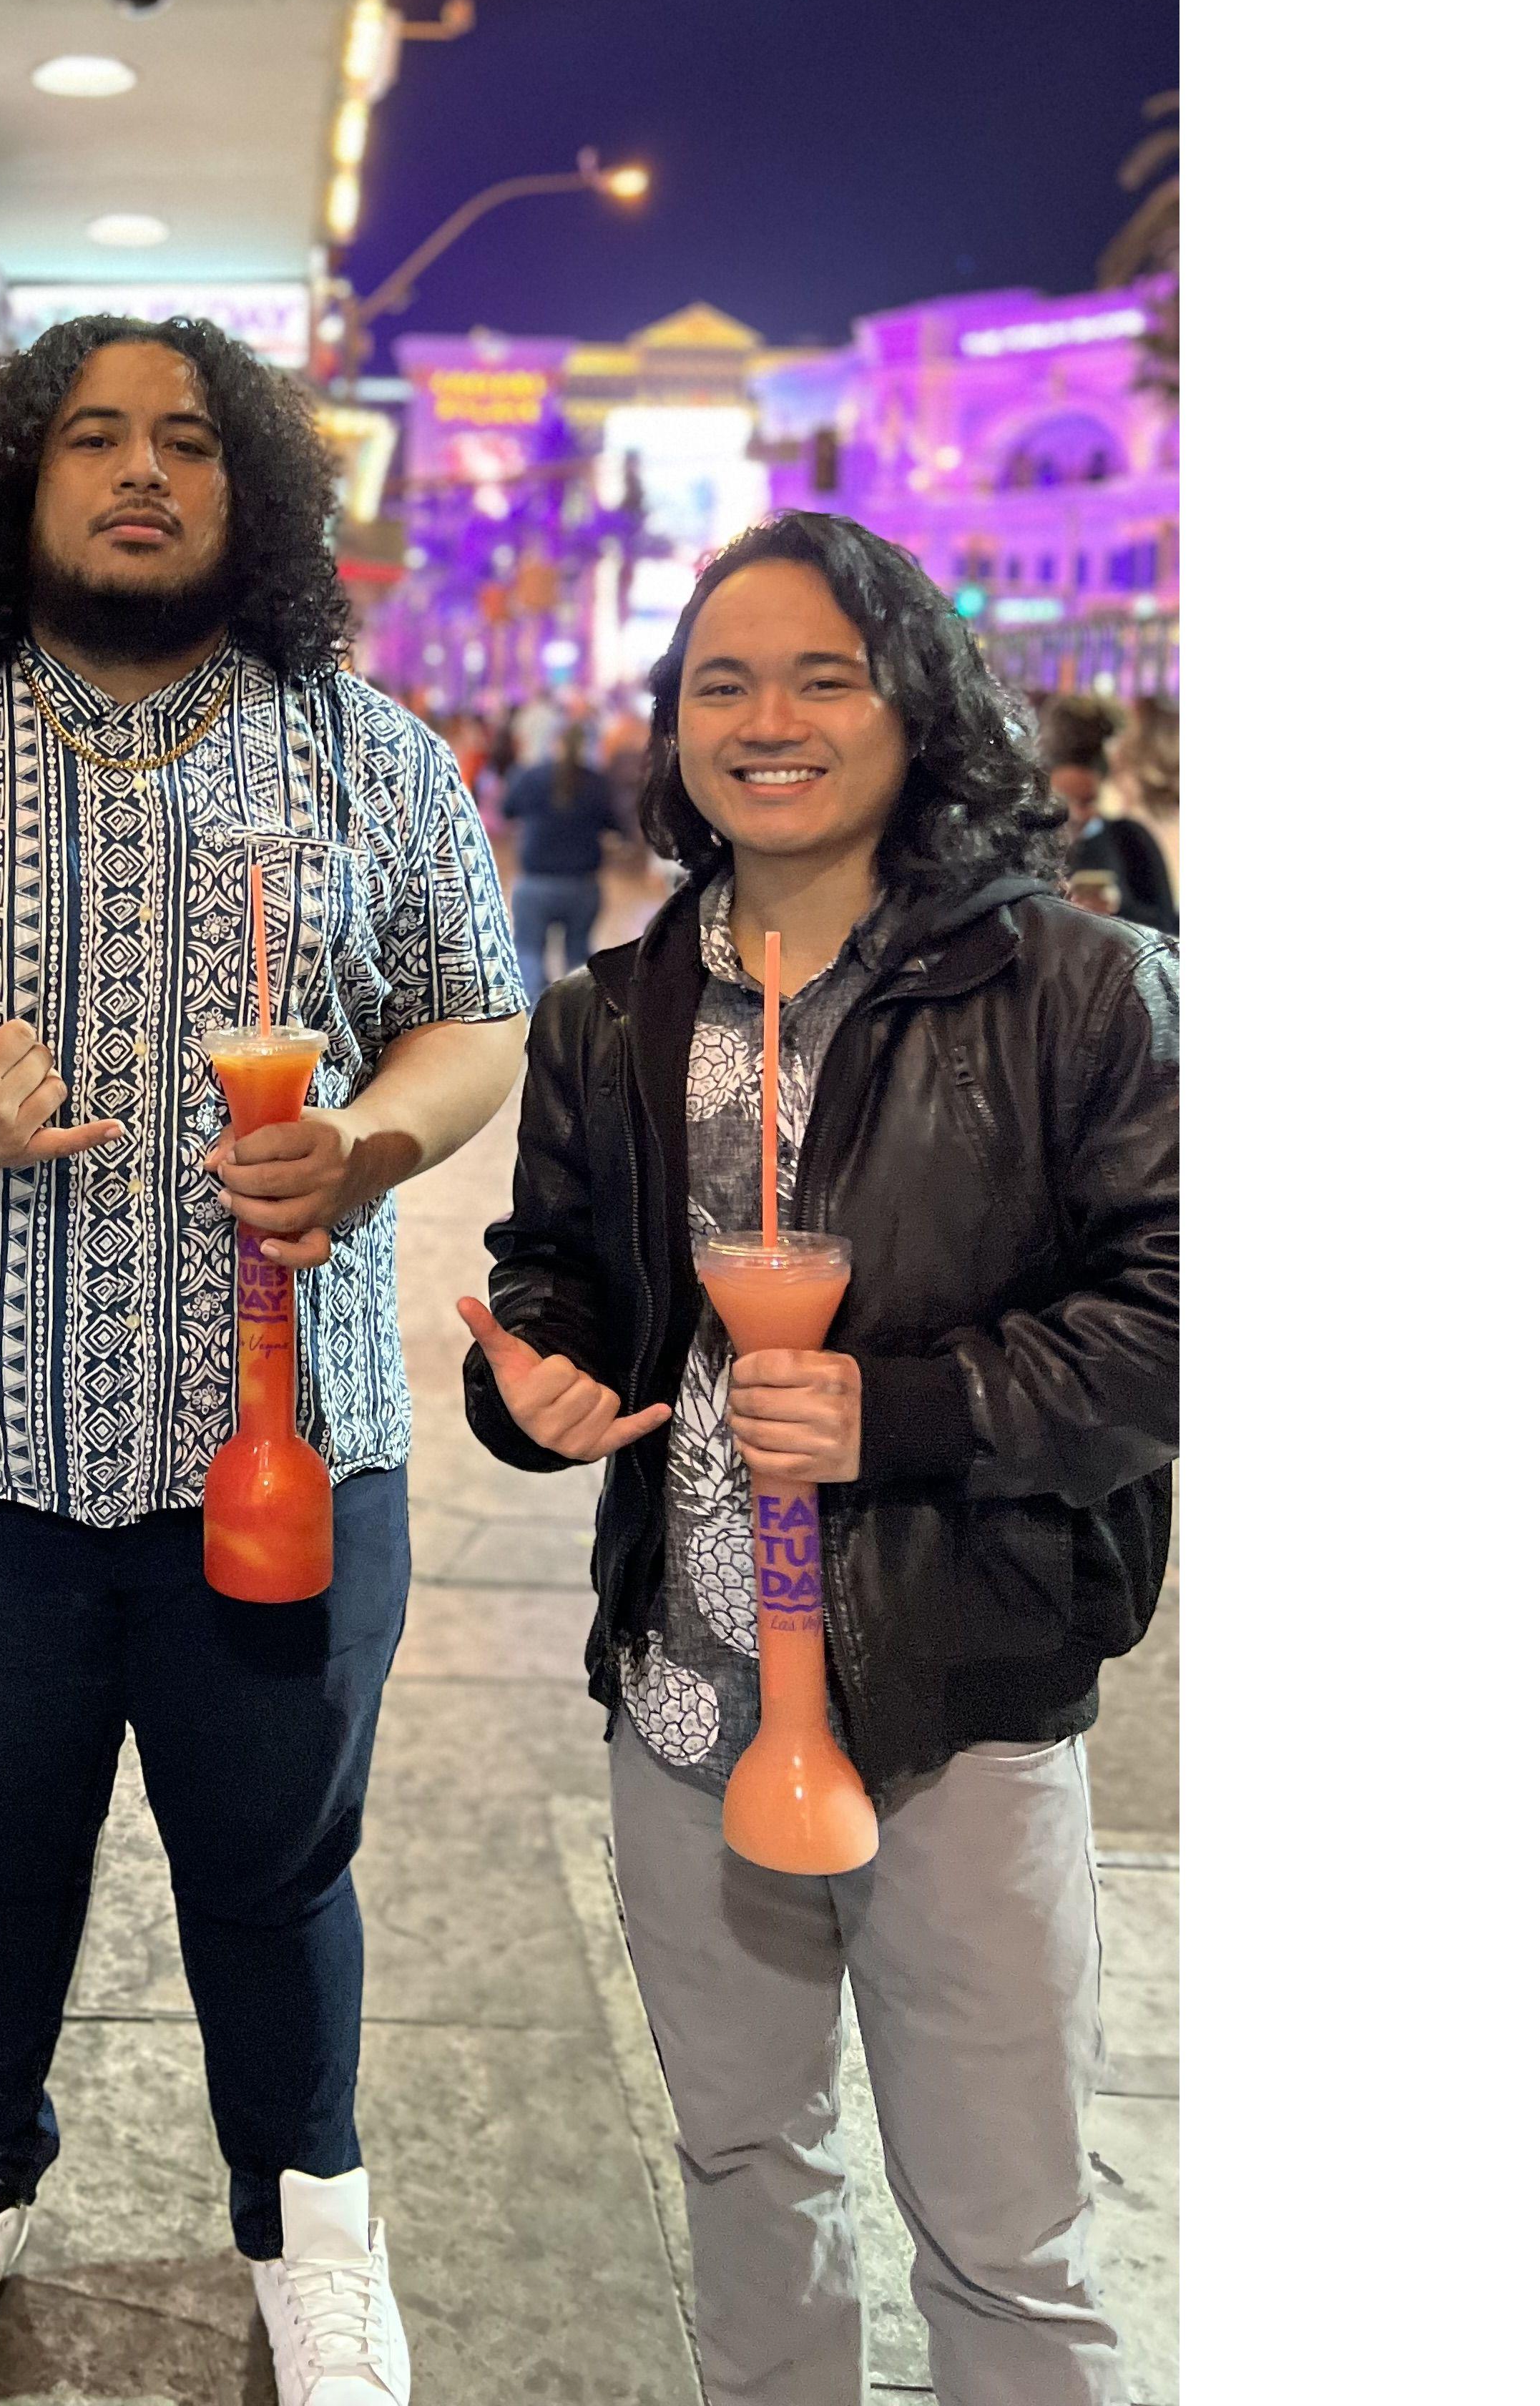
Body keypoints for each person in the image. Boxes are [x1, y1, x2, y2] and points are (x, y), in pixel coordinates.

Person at [0, 316, 529, 2406]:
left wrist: (373, 1143)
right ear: (21, 482)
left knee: (280, 1871)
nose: (143, 470)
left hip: (284, 1455)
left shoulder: (373, 756)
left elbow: (476, 1012)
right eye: (94, 437)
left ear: (253, 491)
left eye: (187, 438)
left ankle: (311, 2224)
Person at [456, 511, 1175, 2406]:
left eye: (821, 678)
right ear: (674, 728)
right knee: (744, 2171)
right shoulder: (609, 1013)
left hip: (954, 1702)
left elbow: (1180, 1319)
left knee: (1005, 2243)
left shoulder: (1081, 992)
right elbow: (559, 1275)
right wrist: (535, 1379)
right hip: (688, 1704)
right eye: (722, 684)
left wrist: (907, 1410)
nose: (766, 720)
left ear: (916, 707)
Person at [499, 710, 626, 994]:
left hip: (535, 884)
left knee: (529, 951)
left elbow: (507, 811)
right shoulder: (597, 782)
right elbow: (616, 826)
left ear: (553, 743)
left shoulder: (530, 776)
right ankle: (573, 1015)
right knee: (578, 954)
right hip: (582, 886)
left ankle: (534, 1013)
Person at [1039, 693, 1177, 934]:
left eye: (1088, 800)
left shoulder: (1130, 839)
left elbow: (1169, 928)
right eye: (1062, 802)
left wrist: (1118, 909)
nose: (1076, 815)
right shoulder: (1029, 845)